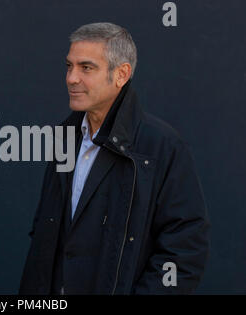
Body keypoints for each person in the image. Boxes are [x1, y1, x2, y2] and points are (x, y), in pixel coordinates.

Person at [19, 22, 210, 295]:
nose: (71, 78)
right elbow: (45, 241)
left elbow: (185, 252)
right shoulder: (63, 139)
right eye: (69, 66)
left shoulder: (161, 147)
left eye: (86, 68)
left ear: (121, 74)